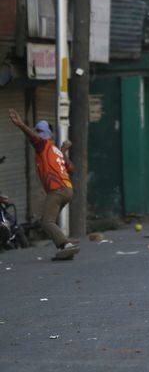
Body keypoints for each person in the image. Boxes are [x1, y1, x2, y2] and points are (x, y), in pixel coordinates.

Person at [8, 109, 80, 260]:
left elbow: (33, 138)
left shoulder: (43, 145)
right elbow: (71, 168)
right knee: (50, 220)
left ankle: (66, 245)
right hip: (68, 190)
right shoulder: (55, 150)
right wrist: (63, 152)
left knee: (46, 222)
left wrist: (20, 124)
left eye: (38, 131)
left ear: (44, 134)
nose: (36, 134)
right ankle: (64, 249)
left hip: (57, 190)